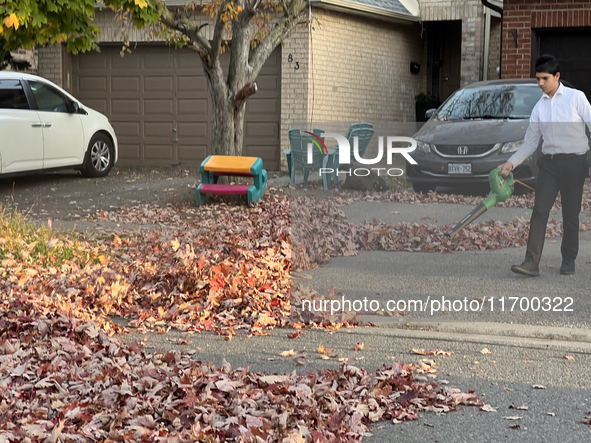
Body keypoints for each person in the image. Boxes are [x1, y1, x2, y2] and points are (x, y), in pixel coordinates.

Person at [498, 54, 591, 277]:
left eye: (544, 78)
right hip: (549, 165)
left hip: (574, 162)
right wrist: (511, 162)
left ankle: (568, 258)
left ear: (557, 76)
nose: (540, 83)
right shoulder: (539, 108)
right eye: (537, 78)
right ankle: (531, 262)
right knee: (539, 211)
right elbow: (530, 143)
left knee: (570, 214)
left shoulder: (576, 98)